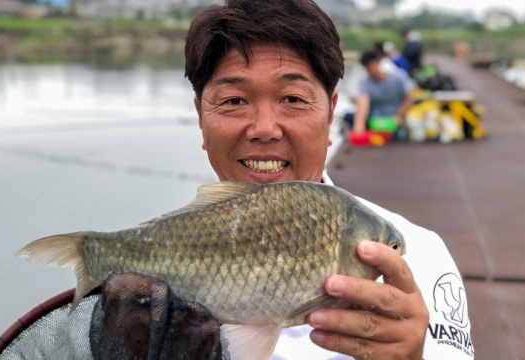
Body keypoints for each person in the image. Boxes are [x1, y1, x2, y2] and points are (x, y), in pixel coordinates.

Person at [185, 0, 473, 359]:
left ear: (331, 113)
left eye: (292, 98)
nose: (264, 129)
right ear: (200, 116)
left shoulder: (422, 256)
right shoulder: (146, 268)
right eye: (233, 100)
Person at [346, 50, 413, 134]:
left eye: (372, 65)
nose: (371, 69)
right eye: (368, 67)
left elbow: (408, 99)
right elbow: (363, 106)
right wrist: (359, 125)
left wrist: (399, 115)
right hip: (376, 121)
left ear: (378, 62)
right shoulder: (365, 83)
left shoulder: (398, 77)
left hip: (396, 119)